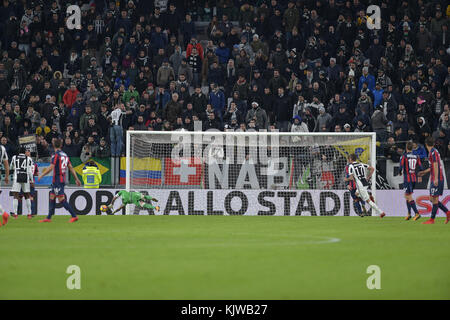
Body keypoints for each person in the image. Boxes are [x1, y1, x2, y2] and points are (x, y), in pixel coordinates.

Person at [37, 139, 81, 223]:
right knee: (52, 196)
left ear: (53, 145)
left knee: (61, 199)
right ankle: (49, 218)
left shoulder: (56, 155)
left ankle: (74, 216)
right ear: (61, 145)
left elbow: (51, 167)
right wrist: (76, 179)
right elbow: (71, 168)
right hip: (60, 179)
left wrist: (42, 175)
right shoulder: (65, 155)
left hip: (58, 179)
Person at [418, 137, 450, 224]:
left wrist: (435, 178)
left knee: (434, 199)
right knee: (432, 199)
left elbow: (435, 165)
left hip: (437, 178)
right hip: (436, 177)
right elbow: (432, 166)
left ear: (426, 144)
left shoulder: (433, 152)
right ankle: (447, 212)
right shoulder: (433, 152)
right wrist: (424, 172)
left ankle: (432, 219)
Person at [346, 153, 386, 218]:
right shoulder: (361, 164)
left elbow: (351, 178)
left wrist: (346, 179)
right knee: (357, 194)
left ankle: (381, 212)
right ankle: (380, 211)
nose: (348, 160)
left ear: (350, 159)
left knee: (367, 200)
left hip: (360, 185)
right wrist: (368, 177)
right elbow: (372, 169)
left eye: (348, 159)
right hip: (365, 183)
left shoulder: (351, 166)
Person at [399, 142, 424, 221]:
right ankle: (409, 214)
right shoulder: (416, 156)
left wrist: (399, 172)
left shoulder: (404, 156)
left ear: (406, 148)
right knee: (407, 196)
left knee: (408, 196)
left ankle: (417, 213)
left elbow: (401, 166)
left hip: (407, 178)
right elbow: (421, 167)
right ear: (412, 148)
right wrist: (419, 175)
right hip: (413, 178)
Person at [9, 146, 34, 219]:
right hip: (25, 177)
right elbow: (30, 171)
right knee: (27, 195)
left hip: (17, 177)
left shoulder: (14, 157)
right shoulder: (28, 159)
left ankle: (15, 214)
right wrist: (31, 180)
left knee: (15, 195)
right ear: (25, 152)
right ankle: (29, 214)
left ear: (19, 151)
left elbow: (11, 167)